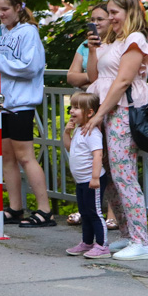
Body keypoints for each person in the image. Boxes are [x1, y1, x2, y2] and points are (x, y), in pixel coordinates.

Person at [84, 0, 148, 261]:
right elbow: (95, 77)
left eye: (115, 12)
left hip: (122, 112)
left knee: (124, 175)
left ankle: (142, 242)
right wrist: (93, 49)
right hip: (107, 112)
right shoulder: (114, 40)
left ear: (130, 13)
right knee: (113, 177)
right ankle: (128, 235)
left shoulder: (135, 40)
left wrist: (98, 114)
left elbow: (123, 82)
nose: (111, 17)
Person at [0, 0, 55, 228]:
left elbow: (28, 67)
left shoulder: (28, 32)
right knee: (6, 156)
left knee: (25, 156)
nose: (0, 14)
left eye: (5, 9)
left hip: (20, 103)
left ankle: (44, 210)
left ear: (18, 8)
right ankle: (15, 207)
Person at [64, 3, 118, 229]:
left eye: (100, 19)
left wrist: (92, 78)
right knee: (85, 153)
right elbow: (71, 76)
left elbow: (115, 77)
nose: (95, 24)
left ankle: (112, 214)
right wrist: (93, 77)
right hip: (88, 108)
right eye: (92, 19)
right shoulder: (86, 45)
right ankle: (87, 207)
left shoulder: (117, 45)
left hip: (110, 106)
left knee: (109, 160)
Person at [62, 92, 109, 258]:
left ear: (89, 113)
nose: (72, 111)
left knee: (94, 212)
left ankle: (103, 246)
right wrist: (67, 133)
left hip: (92, 180)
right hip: (81, 181)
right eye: (71, 107)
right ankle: (87, 242)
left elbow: (98, 155)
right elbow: (69, 148)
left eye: (76, 108)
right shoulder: (79, 130)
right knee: (85, 212)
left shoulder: (92, 133)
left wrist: (95, 177)